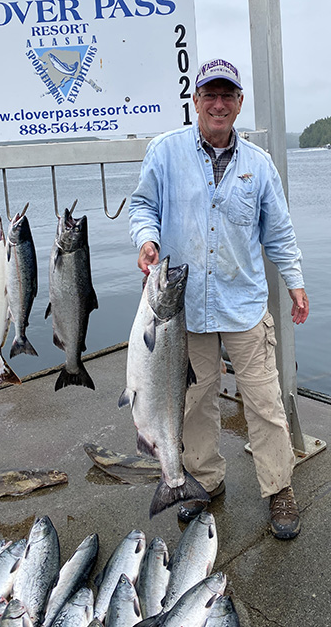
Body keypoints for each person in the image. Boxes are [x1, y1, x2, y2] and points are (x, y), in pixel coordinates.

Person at [128, 58, 309, 540]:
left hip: (244, 303)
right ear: (196, 100)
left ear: (239, 103)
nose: (218, 103)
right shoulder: (164, 152)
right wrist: (146, 239)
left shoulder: (259, 164)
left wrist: (294, 282)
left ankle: (279, 488)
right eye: (210, 94)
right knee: (192, 400)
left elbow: (280, 231)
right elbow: (142, 205)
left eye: (228, 95)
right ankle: (203, 481)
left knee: (265, 401)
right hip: (180, 310)